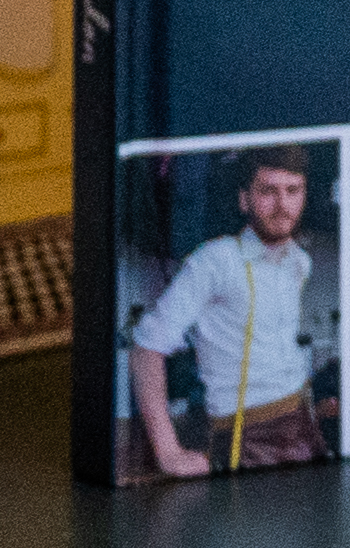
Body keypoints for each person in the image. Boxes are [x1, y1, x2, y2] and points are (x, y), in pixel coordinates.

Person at [129, 152, 331, 476]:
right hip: (247, 438)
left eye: (293, 190)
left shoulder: (299, 262)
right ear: (244, 199)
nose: (283, 204)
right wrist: (168, 452)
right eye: (268, 191)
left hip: (304, 426)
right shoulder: (215, 261)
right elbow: (146, 349)